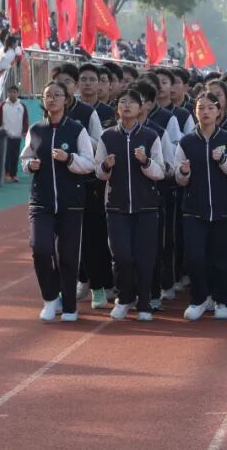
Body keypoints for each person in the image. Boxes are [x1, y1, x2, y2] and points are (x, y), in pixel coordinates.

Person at [20, 81, 96, 322]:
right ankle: (51, 299)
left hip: (70, 202)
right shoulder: (35, 130)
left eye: (57, 95)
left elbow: (89, 163)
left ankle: (70, 306)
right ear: (43, 101)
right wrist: (30, 165)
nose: (52, 99)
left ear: (66, 99)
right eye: (48, 95)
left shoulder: (76, 130)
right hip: (41, 201)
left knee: (68, 256)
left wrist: (69, 158)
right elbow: (25, 159)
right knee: (40, 249)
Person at [175, 92, 227, 321]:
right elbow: (179, 177)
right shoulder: (187, 141)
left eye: (210, 108)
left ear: (218, 111)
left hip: (224, 209)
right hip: (194, 209)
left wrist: (224, 160)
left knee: (221, 260)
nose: (205, 112)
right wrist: (183, 172)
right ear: (195, 112)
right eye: (201, 108)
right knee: (195, 258)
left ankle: (221, 300)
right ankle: (199, 299)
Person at [94, 88, 167, 321]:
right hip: (116, 207)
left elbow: (160, 172)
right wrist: (106, 166)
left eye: (132, 102)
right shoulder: (107, 136)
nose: (126, 106)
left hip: (146, 207)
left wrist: (145, 162)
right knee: (122, 256)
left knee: (145, 258)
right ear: (117, 108)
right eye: (122, 102)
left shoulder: (150, 136)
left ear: (141, 108)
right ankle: (124, 298)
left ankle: (144, 302)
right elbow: (99, 173)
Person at [0, 85, 28, 182]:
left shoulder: (22, 106)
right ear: (7, 93)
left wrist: (25, 132)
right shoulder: (3, 105)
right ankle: (6, 173)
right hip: (6, 135)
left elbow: (25, 120)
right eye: (10, 92)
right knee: (7, 155)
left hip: (17, 135)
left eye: (14, 92)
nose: (12, 94)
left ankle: (14, 175)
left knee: (15, 156)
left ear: (17, 93)